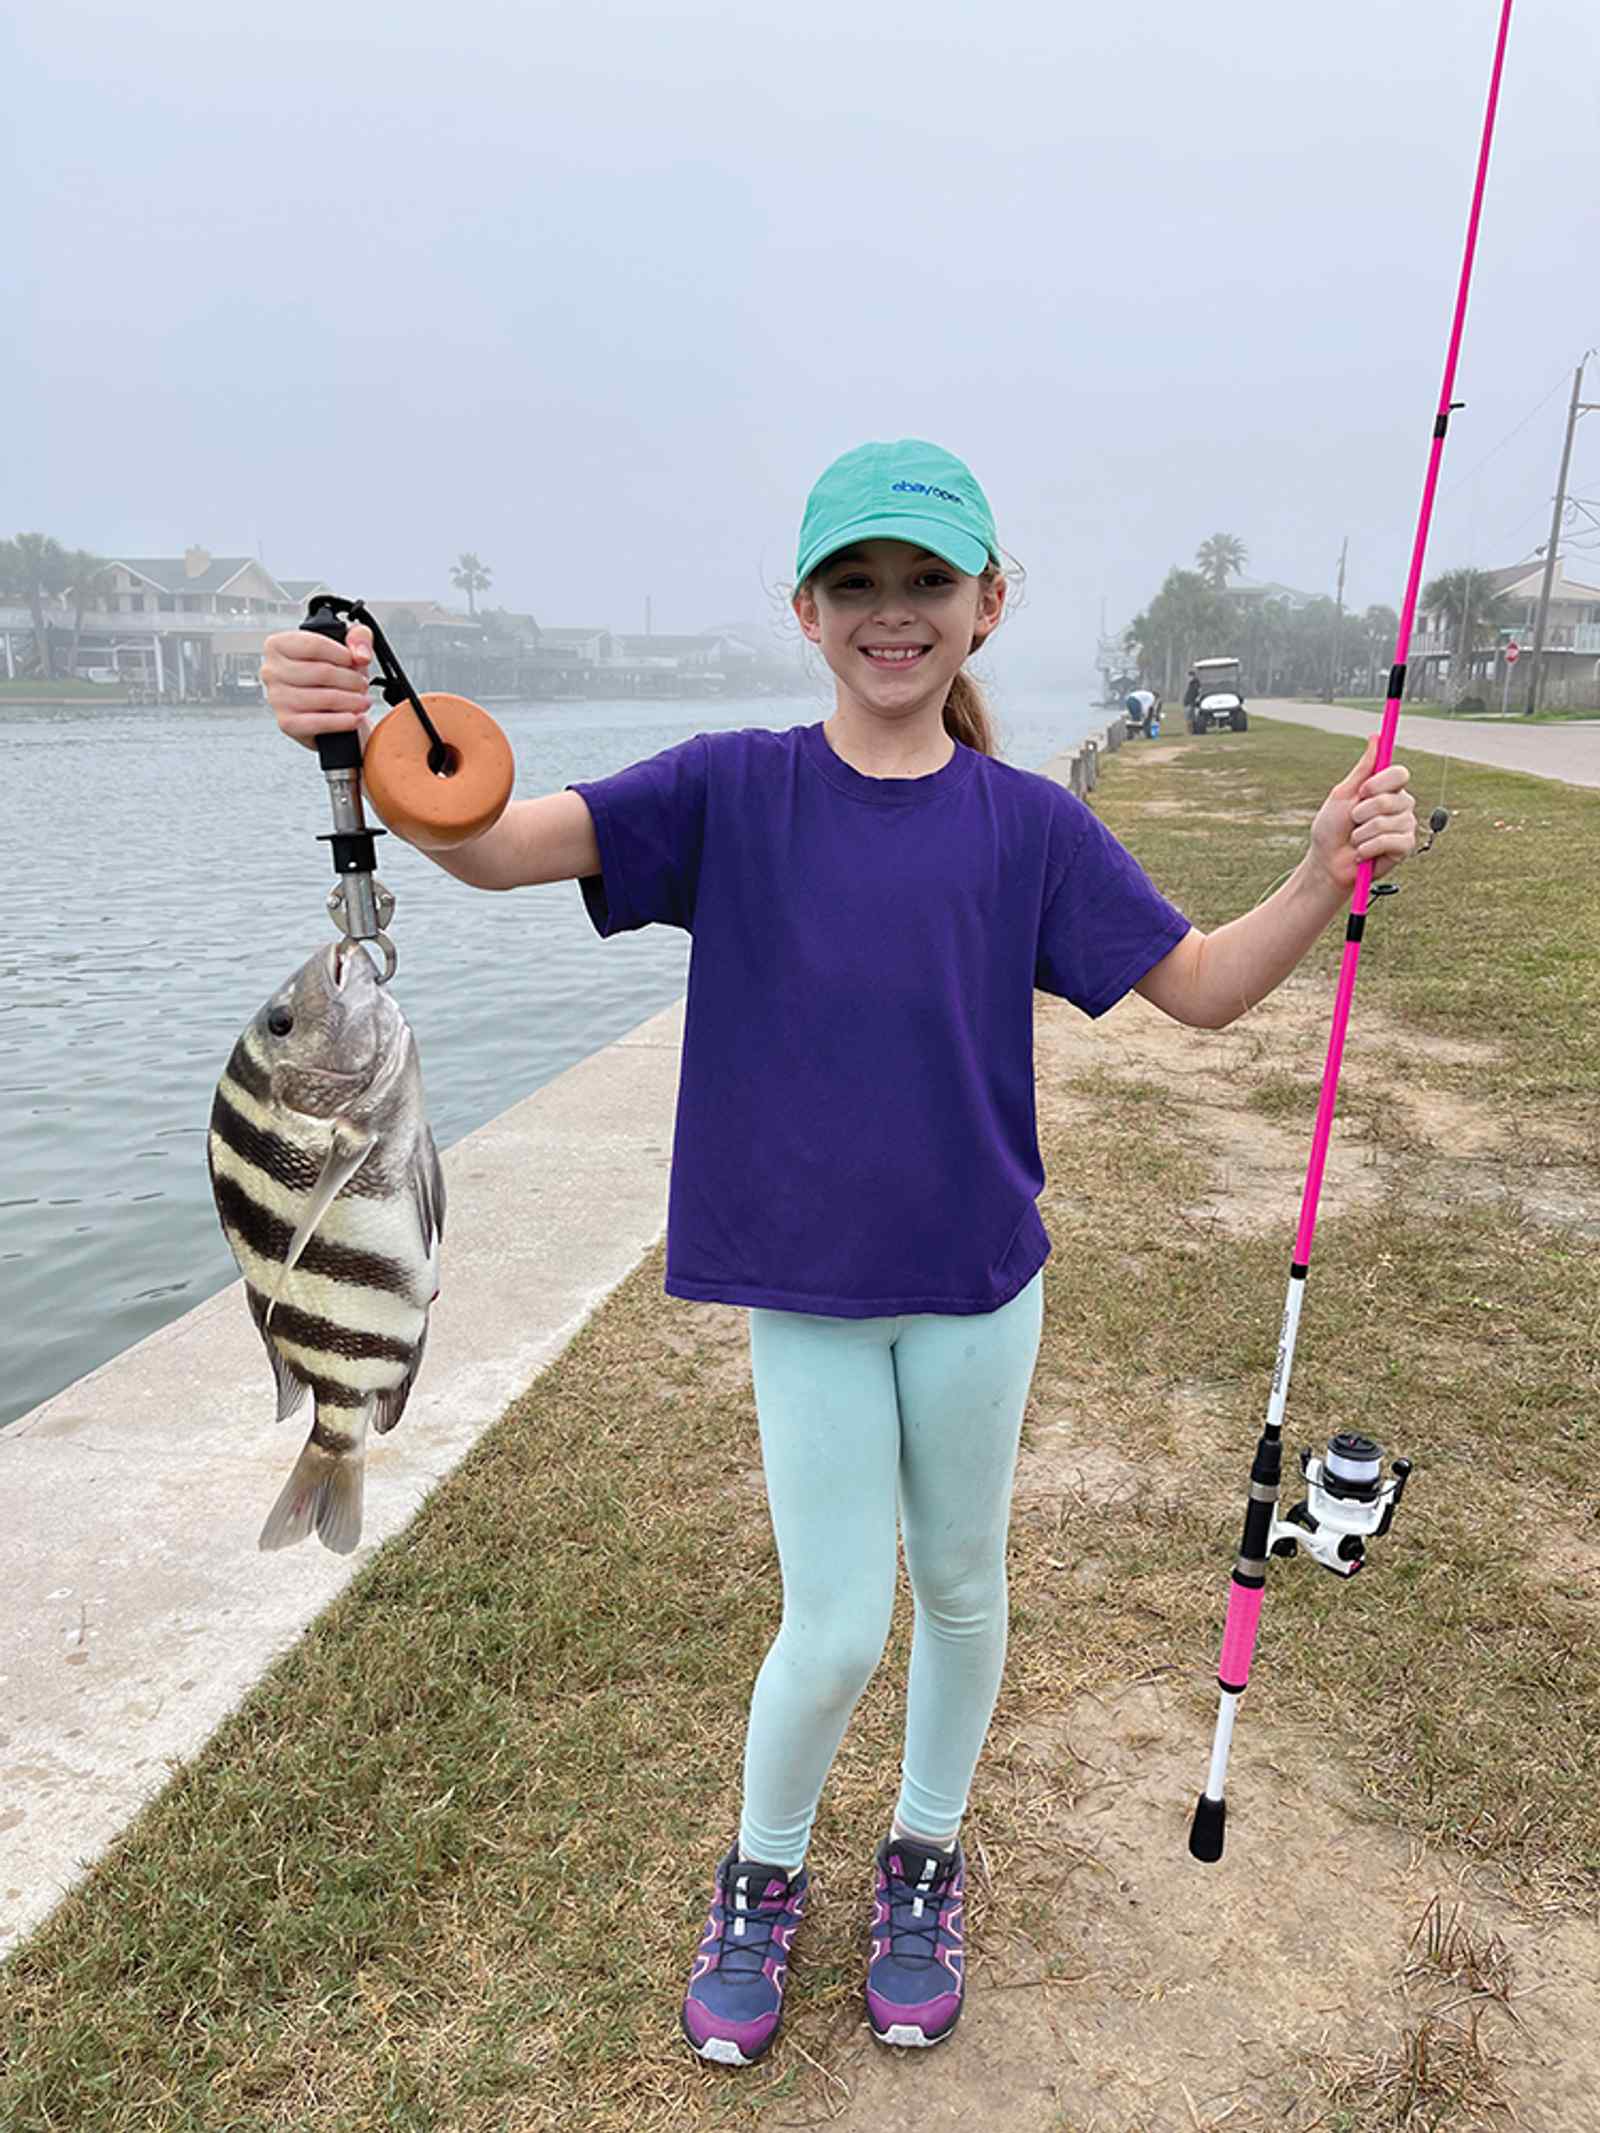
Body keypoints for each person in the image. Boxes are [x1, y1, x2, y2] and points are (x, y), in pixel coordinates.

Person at [260, 438, 1416, 2067]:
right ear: (805, 610)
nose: (893, 611)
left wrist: (1318, 870)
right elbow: (494, 839)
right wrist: (367, 734)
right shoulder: (730, 789)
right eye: (856, 581)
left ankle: (923, 1856)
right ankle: (763, 1873)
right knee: (837, 1625)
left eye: (927, 580)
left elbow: (1207, 985)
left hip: (979, 1292)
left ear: (987, 605)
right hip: (805, 1299)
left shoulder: (1030, 827)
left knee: (961, 1588)